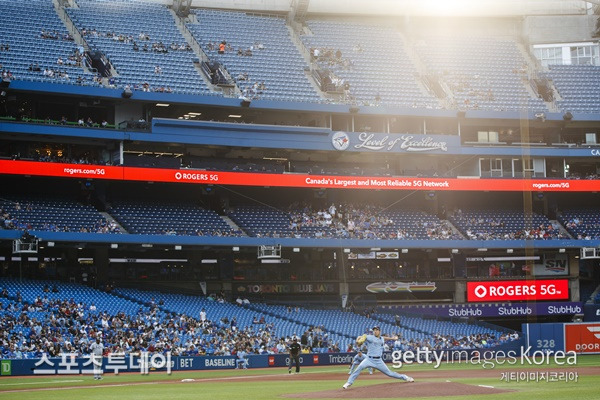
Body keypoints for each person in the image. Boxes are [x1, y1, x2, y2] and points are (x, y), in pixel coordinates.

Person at [342, 326, 413, 389]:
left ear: (379, 331)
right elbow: (363, 337)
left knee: (390, 373)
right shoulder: (370, 337)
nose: (375, 331)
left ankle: (405, 377)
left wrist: (392, 338)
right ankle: (349, 382)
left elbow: (384, 338)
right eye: (374, 330)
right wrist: (358, 339)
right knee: (359, 368)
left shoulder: (382, 338)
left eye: (376, 330)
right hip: (369, 359)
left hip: (379, 361)